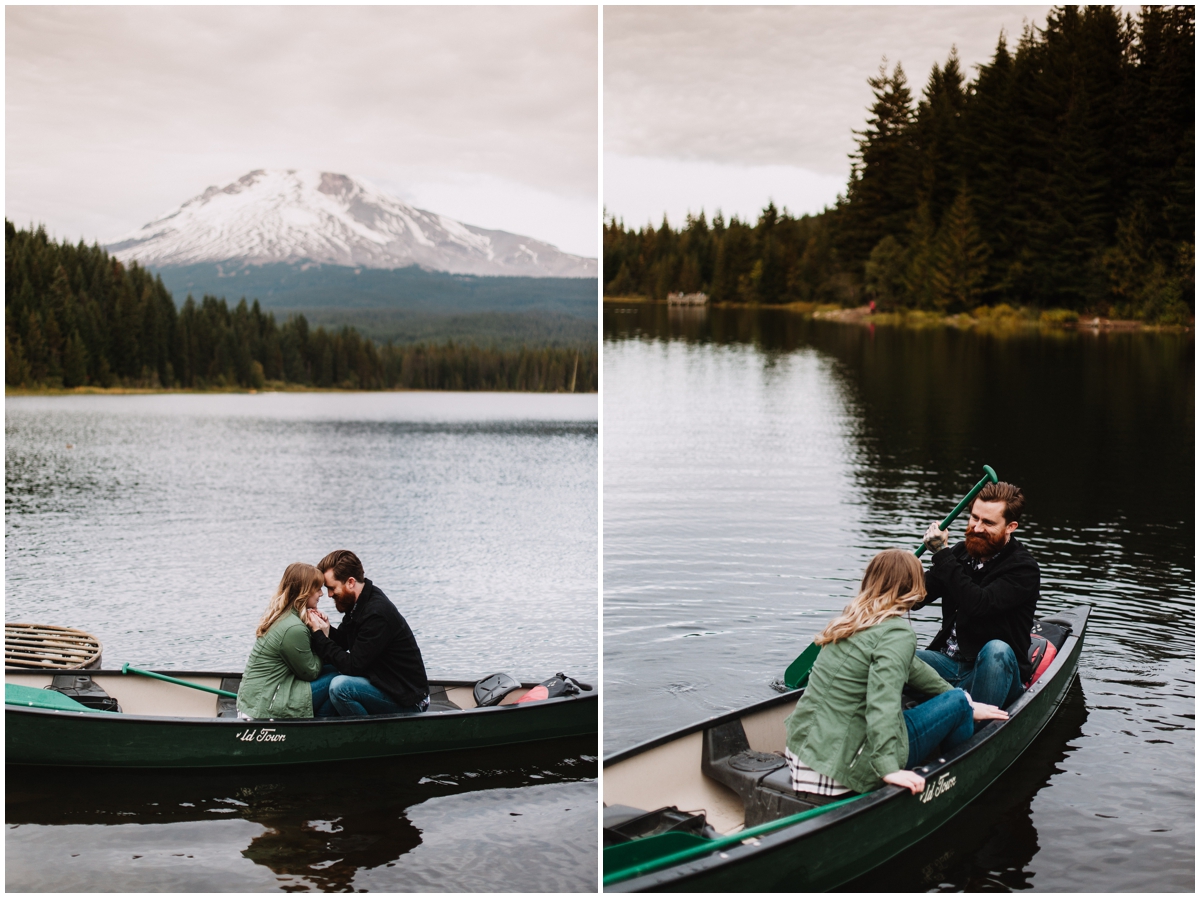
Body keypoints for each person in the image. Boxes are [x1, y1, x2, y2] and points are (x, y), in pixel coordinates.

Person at [784, 549, 1008, 796]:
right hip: (845, 771)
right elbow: (884, 700)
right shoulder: (896, 634)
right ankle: (959, 780)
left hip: (803, 755)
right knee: (956, 702)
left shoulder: (852, 621)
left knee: (958, 699)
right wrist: (887, 768)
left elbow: (914, 668)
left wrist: (968, 702)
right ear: (913, 587)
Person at [915, 481, 1039, 710]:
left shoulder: (1023, 569)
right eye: (974, 518)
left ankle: (975, 731)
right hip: (947, 663)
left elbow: (978, 604)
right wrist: (895, 579)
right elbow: (919, 598)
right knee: (892, 656)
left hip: (993, 670)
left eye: (988, 522)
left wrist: (942, 555)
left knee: (996, 650)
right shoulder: (960, 553)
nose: (977, 528)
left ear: (1010, 526)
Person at [305, 549, 430, 716]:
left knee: (340, 688)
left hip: (409, 700)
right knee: (327, 669)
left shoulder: (376, 614)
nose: (329, 594)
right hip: (382, 684)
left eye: (331, 587)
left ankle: (368, 737)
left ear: (350, 582)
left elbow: (352, 666)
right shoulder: (359, 602)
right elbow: (343, 641)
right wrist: (325, 629)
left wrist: (319, 636)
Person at [237, 562, 336, 719]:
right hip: (265, 705)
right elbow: (311, 672)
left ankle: (315, 726)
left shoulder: (285, 616)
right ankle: (318, 731)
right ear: (304, 591)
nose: (321, 594)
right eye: (317, 588)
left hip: (256, 699)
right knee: (337, 680)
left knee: (335, 669)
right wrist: (323, 636)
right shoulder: (293, 628)